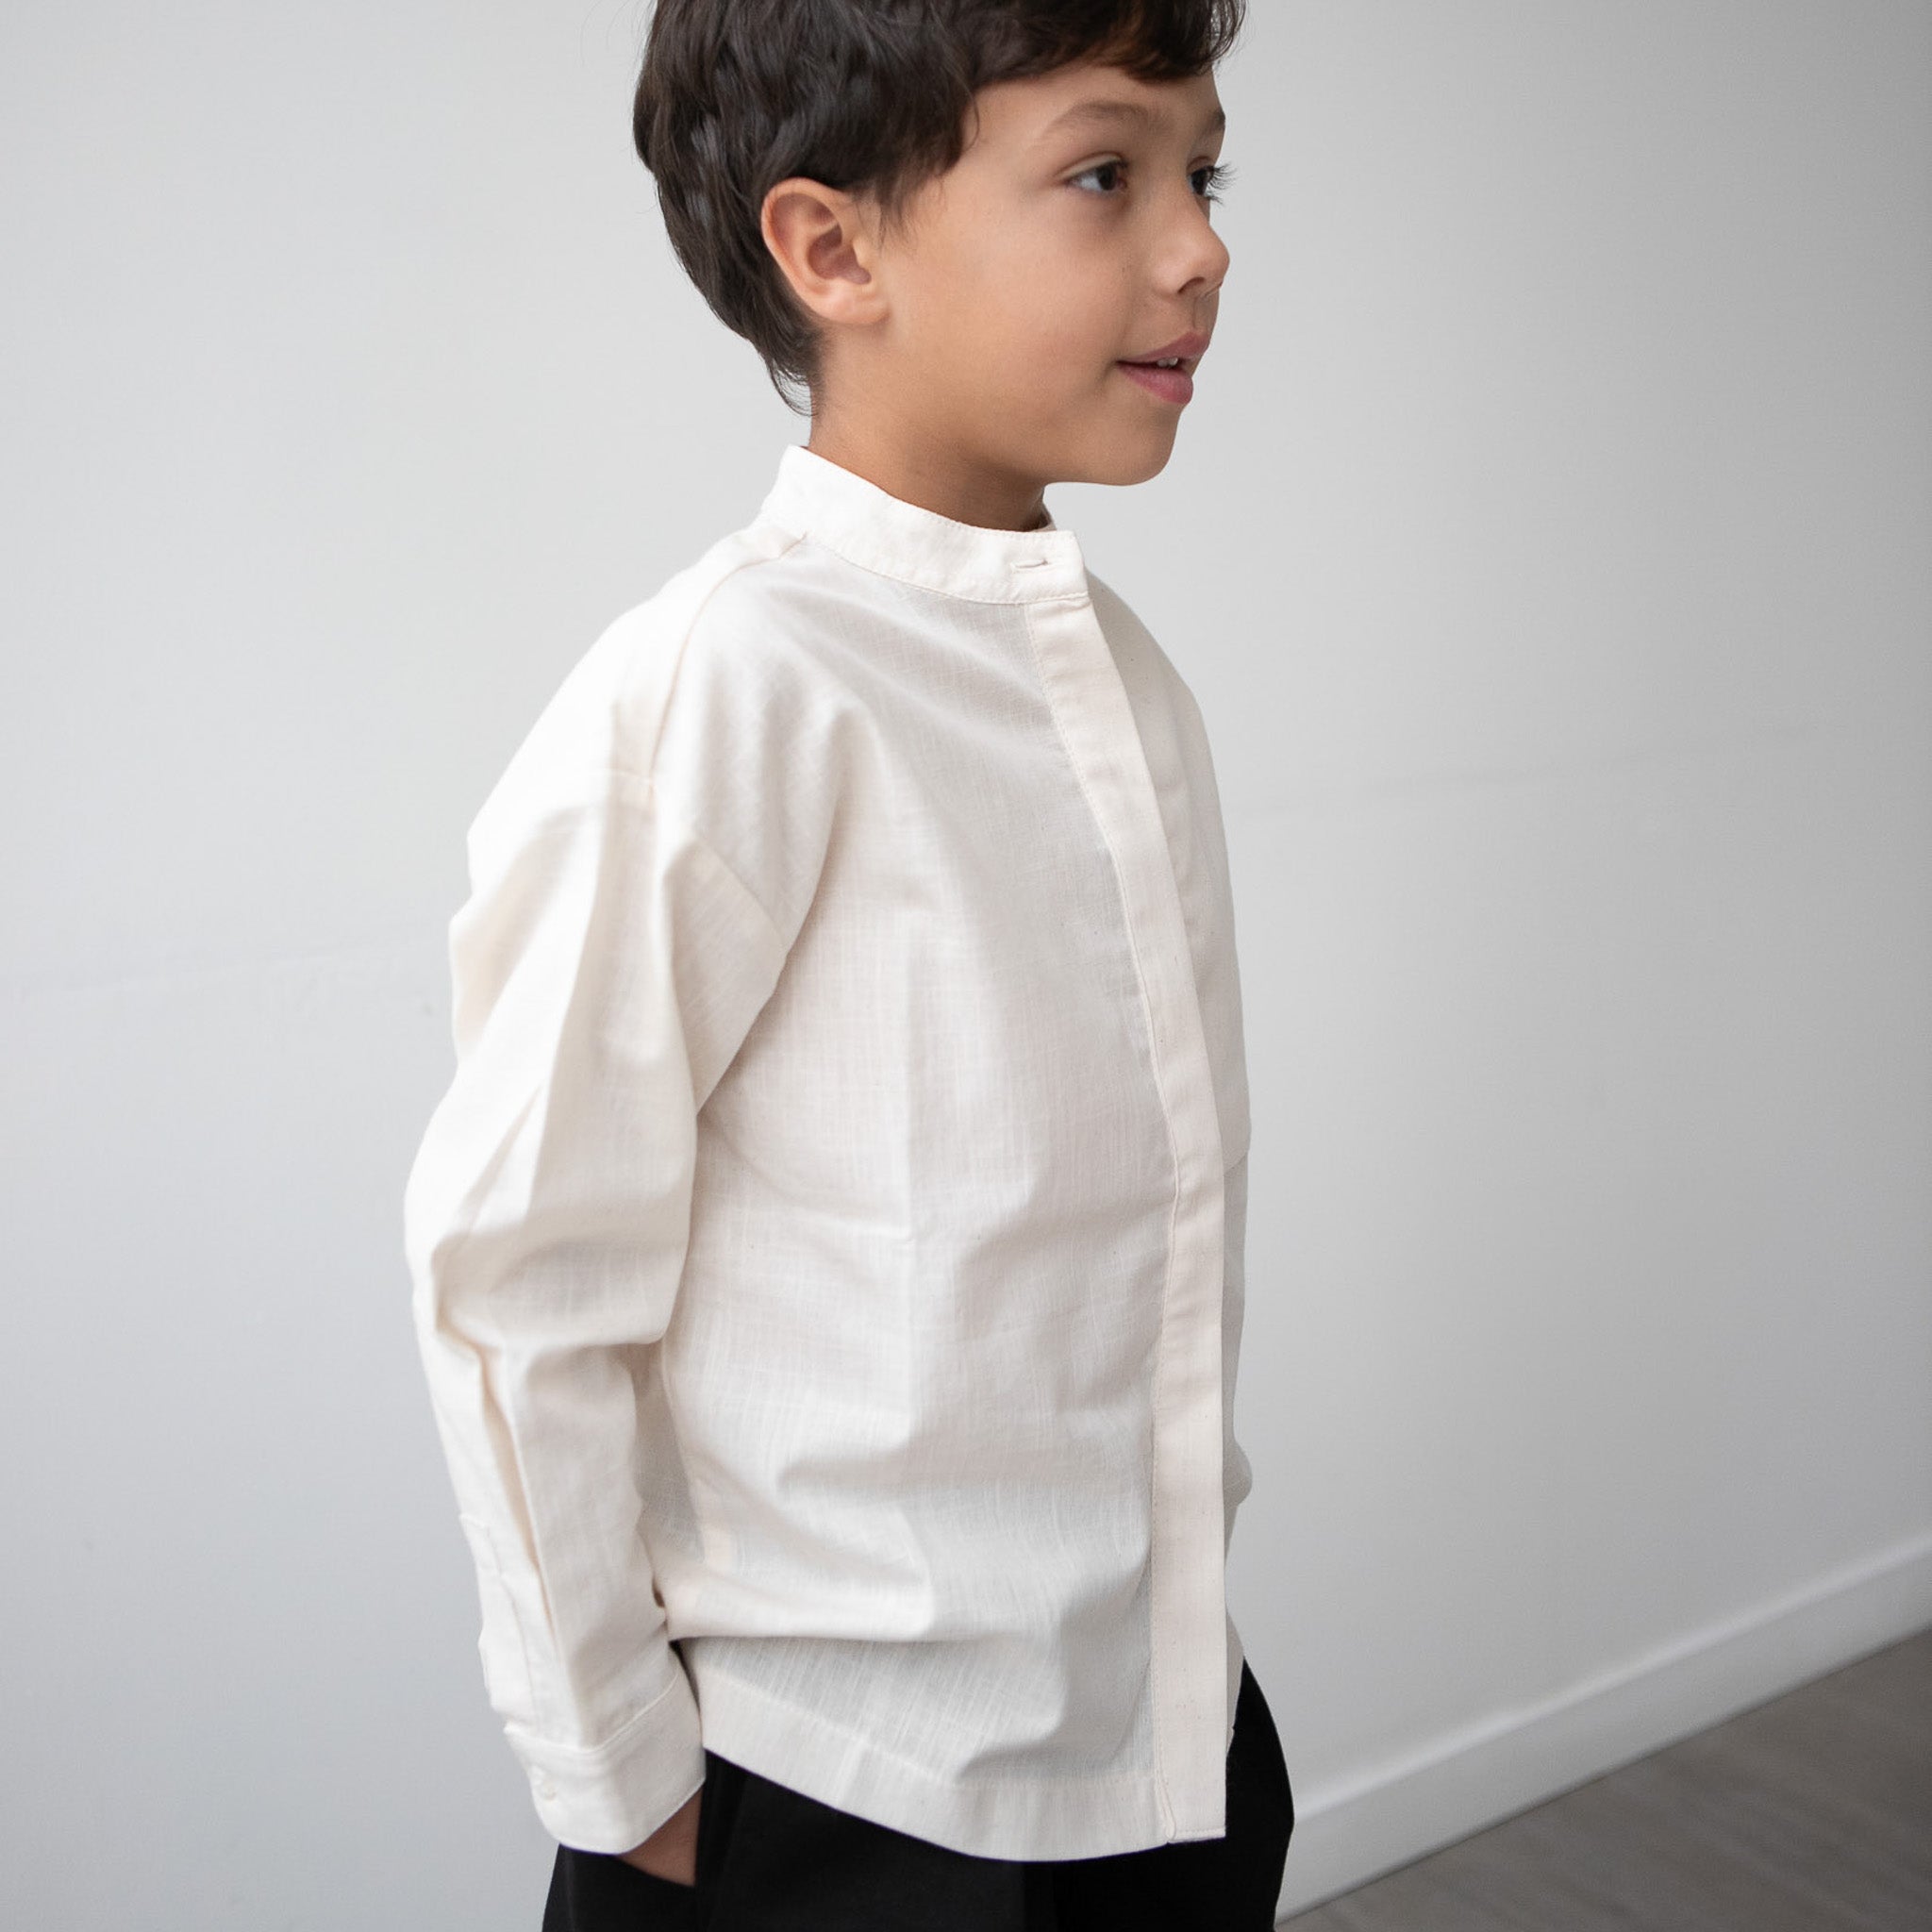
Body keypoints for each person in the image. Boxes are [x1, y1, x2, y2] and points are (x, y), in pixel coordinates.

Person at [402, 1, 1292, 1924]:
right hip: (839, 1799)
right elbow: (522, 1276)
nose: (1199, 247)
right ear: (832, 248)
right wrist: (624, 1779)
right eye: (1104, 173)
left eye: (1203, 173)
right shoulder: (725, 690)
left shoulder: (1123, 677)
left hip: (1162, 1738)